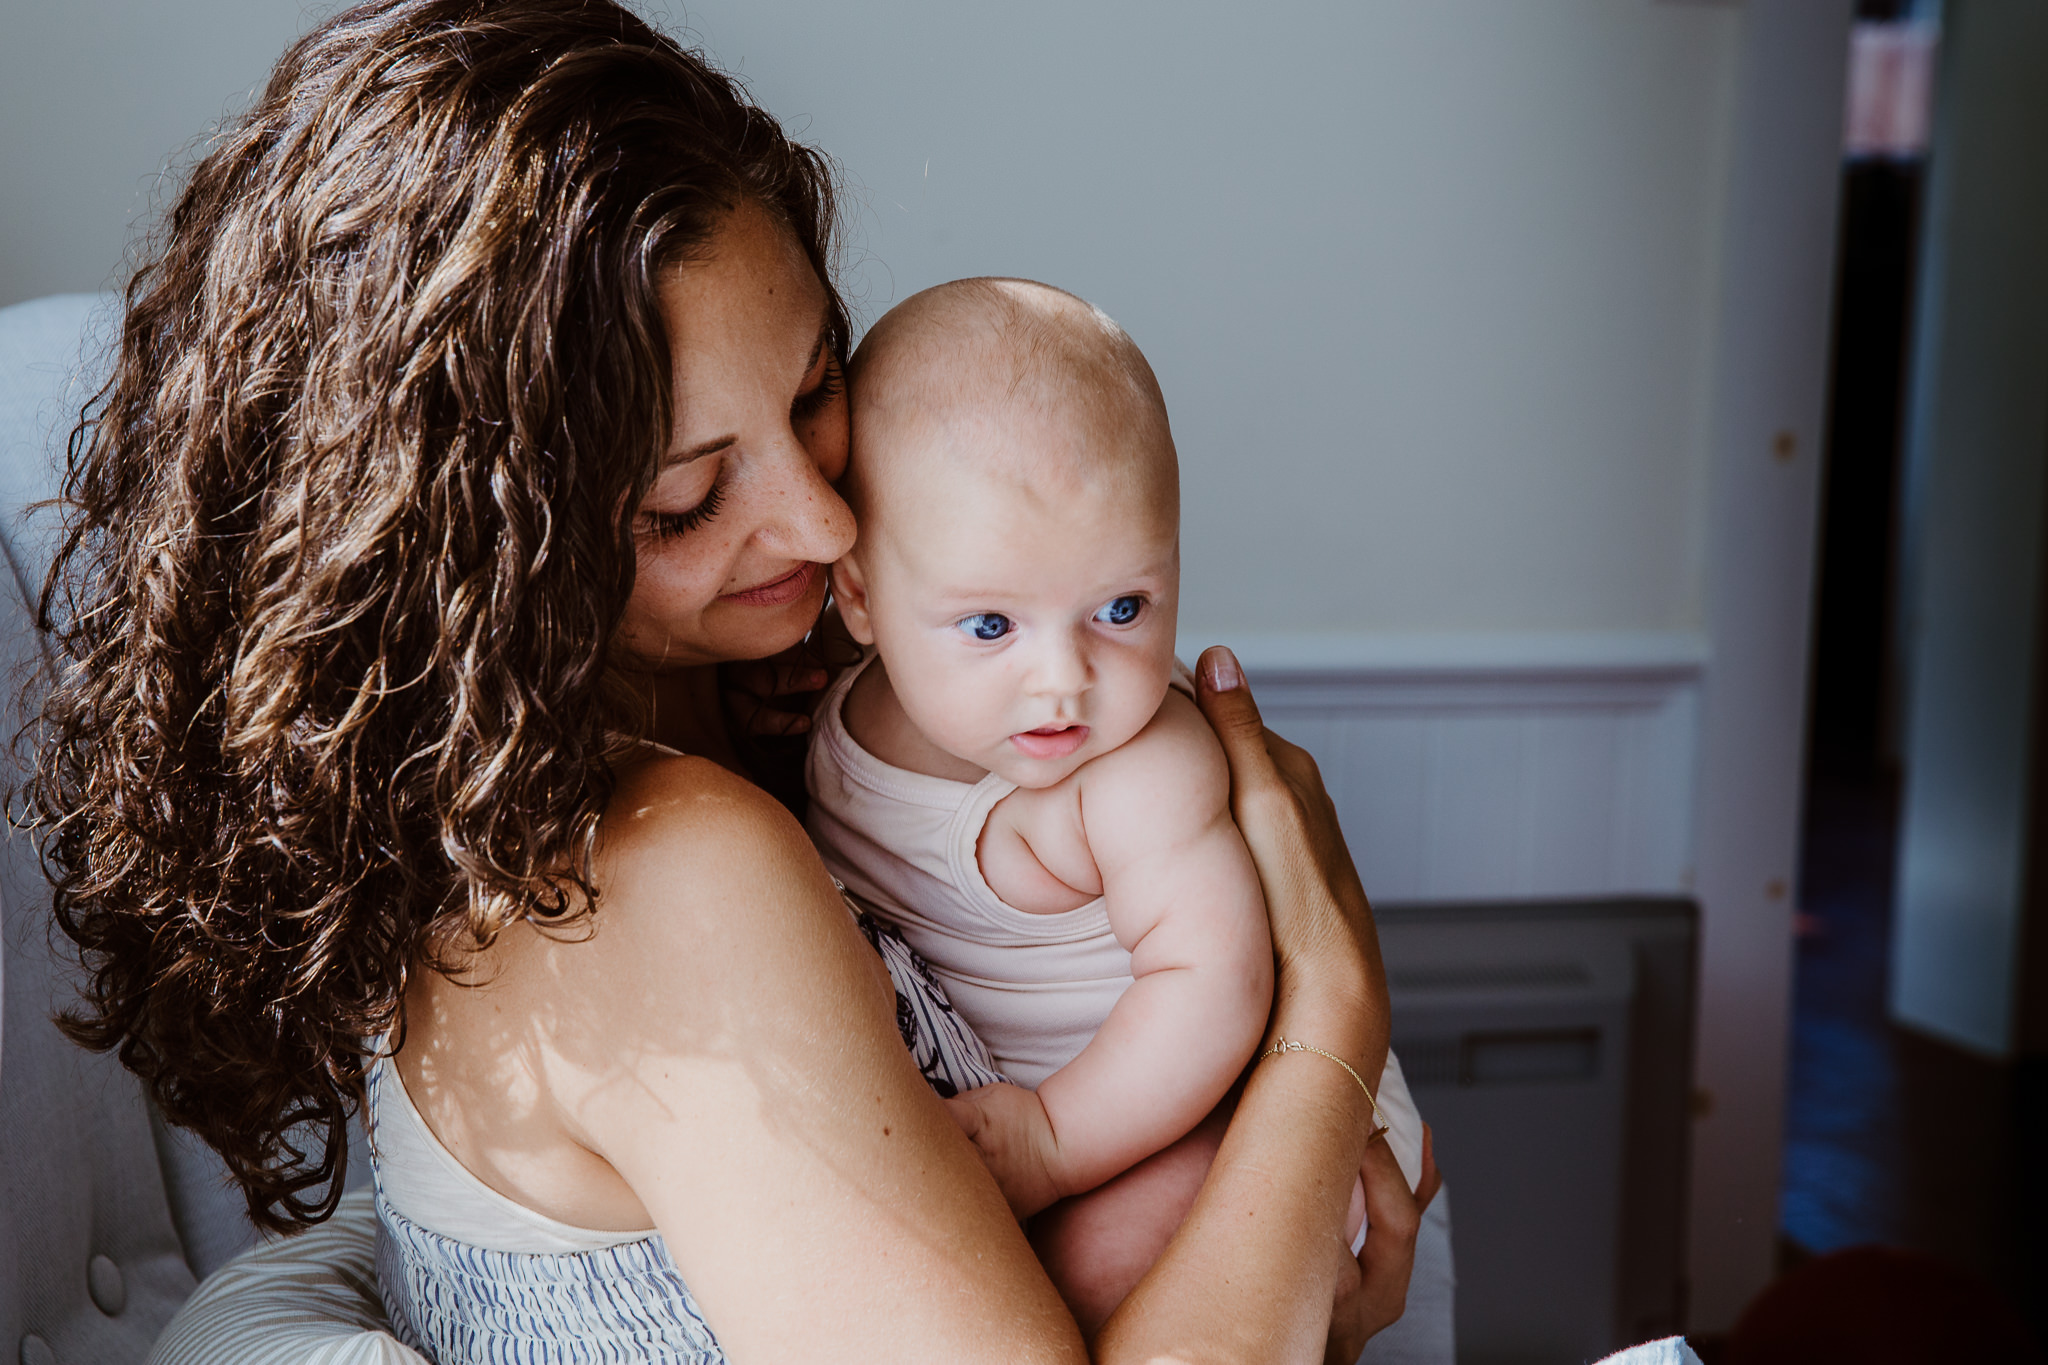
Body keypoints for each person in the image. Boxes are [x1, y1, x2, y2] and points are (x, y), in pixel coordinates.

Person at [26, 1, 1433, 1359]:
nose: (825, 529)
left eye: (817, 392)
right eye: (689, 500)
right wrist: (1332, 1022)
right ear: (483, 556)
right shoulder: (662, 870)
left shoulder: (718, 720)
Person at [806, 276, 1427, 1330]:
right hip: (1098, 1118)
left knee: (1087, 1278)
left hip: (1241, 1114)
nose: (1065, 680)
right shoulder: (836, 710)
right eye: (990, 626)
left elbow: (1213, 984)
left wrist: (1051, 1138)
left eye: (1122, 608)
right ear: (859, 596)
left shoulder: (1138, 773)